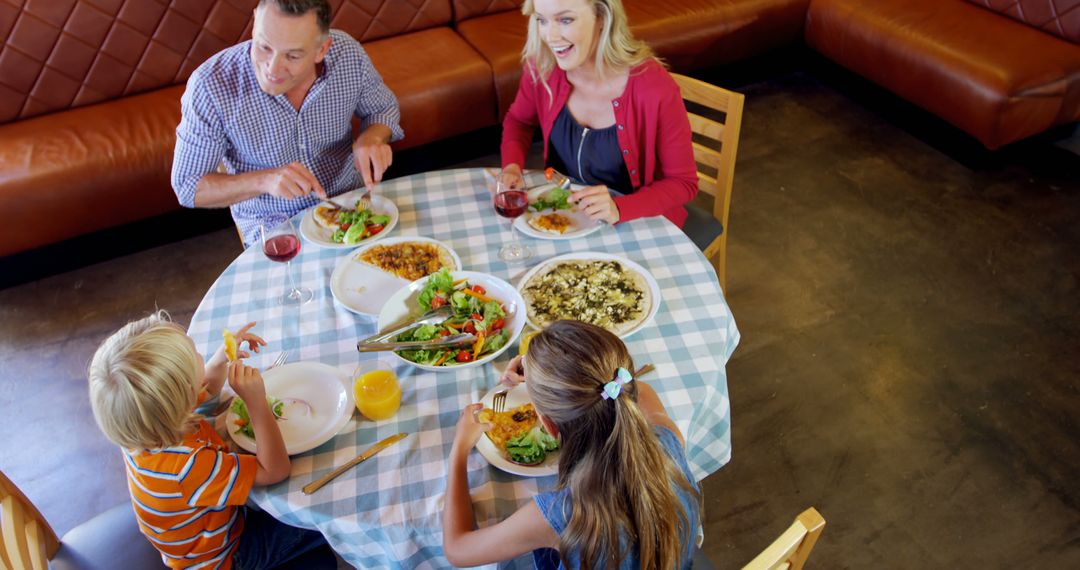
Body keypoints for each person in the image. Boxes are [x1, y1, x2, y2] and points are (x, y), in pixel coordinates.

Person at [443, 320, 701, 569]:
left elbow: (457, 549)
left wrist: (460, 450)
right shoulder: (670, 438)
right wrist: (541, 371)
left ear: (549, 426)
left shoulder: (562, 515)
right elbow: (630, 390)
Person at [87, 311, 328, 569]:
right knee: (318, 519)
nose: (202, 358)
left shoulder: (143, 425)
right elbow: (275, 470)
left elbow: (207, 391)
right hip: (229, 555)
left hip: (194, 539)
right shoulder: (188, 466)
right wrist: (256, 402)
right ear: (183, 398)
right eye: (197, 359)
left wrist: (222, 357)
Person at [171, 0, 404, 246]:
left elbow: (382, 109)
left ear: (322, 49)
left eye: (292, 55)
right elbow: (188, 186)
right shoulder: (209, 86)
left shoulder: (348, 55)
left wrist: (373, 137)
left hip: (353, 208)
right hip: (276, 227)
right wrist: (265, 180)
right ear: (254, 23)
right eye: (264, 46)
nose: (272, 68)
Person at [499, 0, 698, 228]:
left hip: (637, 221)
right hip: (565, 218)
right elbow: (519, 121)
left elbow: (683, 183)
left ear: (602, 17)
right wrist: (512, 165)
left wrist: (620, 208)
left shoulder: (653, 87)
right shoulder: (542, 68)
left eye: (566, 20)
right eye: (541, 20)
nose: (550, 36)